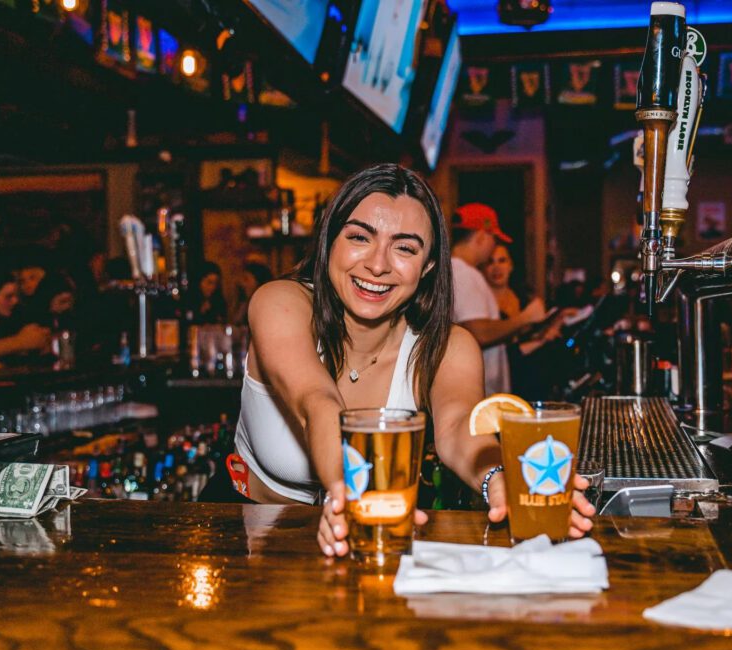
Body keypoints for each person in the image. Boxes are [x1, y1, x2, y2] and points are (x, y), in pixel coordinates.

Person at [236, 164, 595, 557]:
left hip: (367, 535)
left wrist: (499, 478)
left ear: (428, 267)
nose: (378, 264)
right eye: (359, 237)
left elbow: (459, 427)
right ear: (329, 244)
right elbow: (316, 402)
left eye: (404, 247)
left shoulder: (447, 346)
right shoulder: (280, 303)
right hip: (246, 532)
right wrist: (346, 499)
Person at [449, 203, 547, 395]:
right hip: (479, 394)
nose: (493, 245)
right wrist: (525, 318)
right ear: (481, 236)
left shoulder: (456, 270)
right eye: (493, 238)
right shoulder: (465, 274)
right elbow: (478, 332)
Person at [483, 243, 565, 398]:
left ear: (511, 266)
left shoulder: (521, 298)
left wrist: (549, 329)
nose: (496, 268)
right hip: (495, 378)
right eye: (490, 262)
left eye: (502, 261)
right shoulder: (481, 304)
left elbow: (522, 339)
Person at [231, 262, 274, 328]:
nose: (242, 284)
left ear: (258, 282)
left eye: (246, 279)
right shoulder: (244, 303)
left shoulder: (267, 307)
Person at [185, 261, 228, 325]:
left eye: (215, 283)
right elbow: (187, 322)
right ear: (199, 282)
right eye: (209, 282)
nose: (213, 287)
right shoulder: (189, 300)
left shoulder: (219, 301)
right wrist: (201, 312)